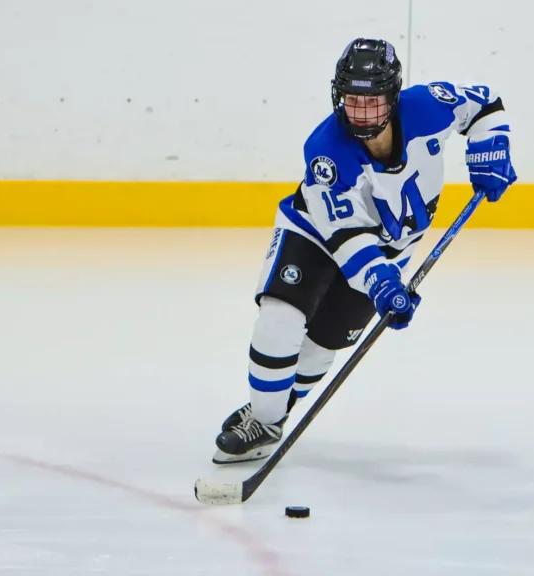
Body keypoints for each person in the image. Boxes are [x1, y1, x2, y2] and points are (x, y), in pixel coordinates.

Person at [211, 37, 517, 464]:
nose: (361, 112)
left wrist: (491, 145)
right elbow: (347, 237)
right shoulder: (326, 151)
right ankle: (262, 420)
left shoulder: (428, 106)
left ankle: (278, 409)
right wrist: (381, 283)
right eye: (353, 101)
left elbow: (484, 104)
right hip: (314, 233)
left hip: (391, 250)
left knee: (324, 344)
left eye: (373, 102)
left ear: (393, 97)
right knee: (281, 315)